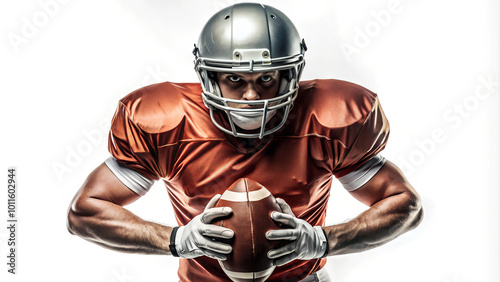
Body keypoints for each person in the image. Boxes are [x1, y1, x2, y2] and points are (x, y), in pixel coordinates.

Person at [67, 3, 423, 281]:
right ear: (208, 76)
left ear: (291, 75)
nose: (251, 95)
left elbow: (405, 205)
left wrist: (321, 240)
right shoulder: (166, 122)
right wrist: (176, 240)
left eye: (267, 77)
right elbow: (86, 211)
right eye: (235, 78)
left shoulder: (330, 118)